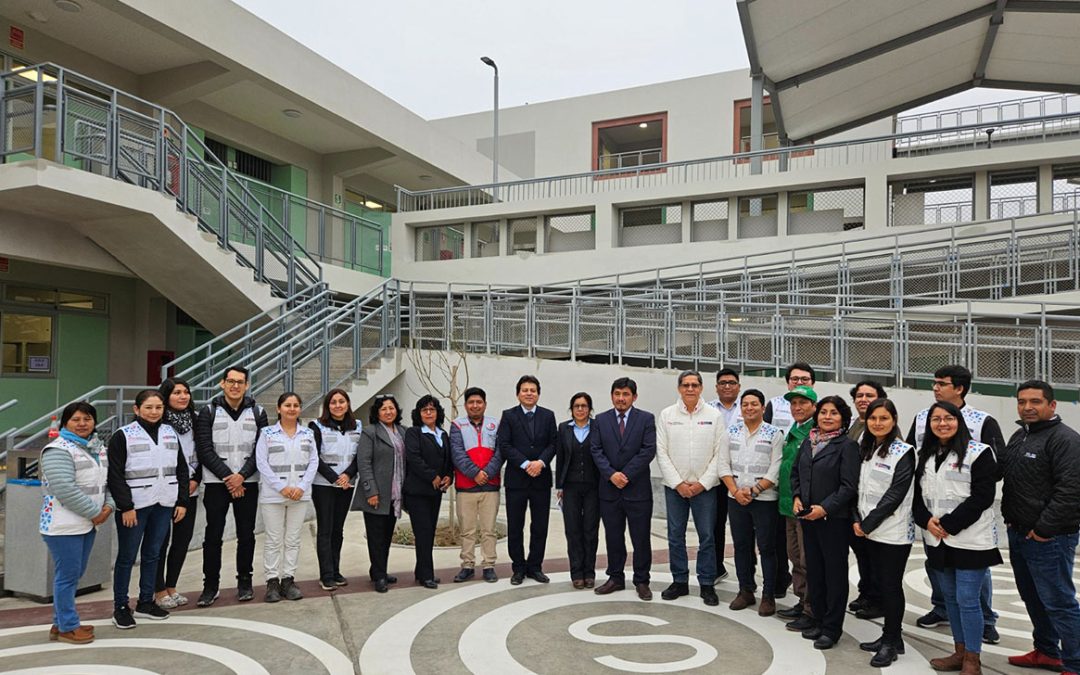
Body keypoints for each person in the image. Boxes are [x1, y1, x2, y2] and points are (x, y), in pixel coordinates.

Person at [907, 365, 1002, 642]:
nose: (935, 388)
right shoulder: (923, 417)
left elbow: (997, 467)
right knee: (939, 571)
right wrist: (926, 518)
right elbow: (913, 460)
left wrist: (959, 507)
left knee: (972, 583)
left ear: (959, 388)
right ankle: (942, 610)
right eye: (934, 383)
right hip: (932, 521)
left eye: (941, 383)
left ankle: (986, 620)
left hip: (967, 525)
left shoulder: (982, 421)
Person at [1001, 381, 1080, 674]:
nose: (1027, 407)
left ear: (1052, 405)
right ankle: (1047, 651)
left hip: (1049, 538)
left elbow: (1071, 491)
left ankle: (1075, 663)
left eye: (1035, 401)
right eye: (1022, 402)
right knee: (1032, 597)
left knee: (1059, 601)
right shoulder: (1019, 435)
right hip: (1019, 532)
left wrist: (1044, 530)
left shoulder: (1065, 440)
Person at [108, 389, 189, 629]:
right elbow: (115, 475)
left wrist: (182, 501)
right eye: (148, 408)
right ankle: (121, 606)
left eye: (158, 408)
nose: (154, 412)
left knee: (153, 554)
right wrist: (126, 506)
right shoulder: (123, 435)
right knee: (127, 557)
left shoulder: (169, 432)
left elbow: (181, 469)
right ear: (136, 409)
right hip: (135, 507)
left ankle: (146, 601)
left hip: (163, 504)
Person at [39, 401, 113, 644]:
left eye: (88, 419)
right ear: (65, 423)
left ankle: (60, 623)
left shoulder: (96, 447)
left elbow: (105, 483)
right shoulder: (58, 449)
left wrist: (108, 506)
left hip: (87, 523)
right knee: (68, 575)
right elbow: (64, 489)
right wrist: (96, 513)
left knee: (74, 573)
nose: (82, 424)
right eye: (76, 419)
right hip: (63, 524)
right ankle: (68, 627)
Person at [194, 365, 268, 607]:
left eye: (240, 382)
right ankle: (210, 585)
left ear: (247, 385)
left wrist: (242, 476)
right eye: (231, 381)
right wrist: (229, 477)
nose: (235, 385)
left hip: (248, 483)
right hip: (217, 484)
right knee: (213, 535)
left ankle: (245, 581)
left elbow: (261, 449)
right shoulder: (208, 411)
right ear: (222, 384)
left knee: (246, 534)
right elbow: (204, 449)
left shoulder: (258, 412)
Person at [790, 395, 859, 650]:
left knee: (835, 575)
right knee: (815, 572)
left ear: (843, 418)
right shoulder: (809, 442)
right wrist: (797, 496)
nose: (827, 417)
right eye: (823, 412)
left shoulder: (847, 446)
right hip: (808, 518)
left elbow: (849, 486)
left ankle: (832, 628)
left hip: (833, 521)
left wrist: (825, 508)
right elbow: (795, 472)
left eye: (834, 413)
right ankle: (817, 619)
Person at [853, 399, 916, 668]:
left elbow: (895, 495)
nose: (878, 423)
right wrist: (858, 520)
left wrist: (867, 524)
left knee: (890, 587)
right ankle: (892, 637)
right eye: (873, 418)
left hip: (892, 532)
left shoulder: (904, 451)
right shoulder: (866, 449)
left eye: (883, 418)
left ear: (894, 420)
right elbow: (857, 489)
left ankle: (891, 642)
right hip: (868, 529)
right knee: (879, 583)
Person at [656, 370, 724, 606]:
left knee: (707, 536)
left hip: (705, 489)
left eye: (695, 385)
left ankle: (707, 583)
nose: (690, 389)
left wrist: (702, 484)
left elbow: (719, 454)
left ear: (701, 388)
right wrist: (679, 483)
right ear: (679, 388)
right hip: (675, 489)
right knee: (675, 536)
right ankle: (680, 581)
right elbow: (661, 452)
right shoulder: (667, 415)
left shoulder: (714, 416)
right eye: (686, 385)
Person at [717, 389, 784, 616]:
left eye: (754, 404)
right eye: (745, 404)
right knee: (742, 546)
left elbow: (777, 467)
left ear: (763, 408)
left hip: (764, 499)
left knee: (766, 547)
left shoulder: (774, 433)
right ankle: (745, 589)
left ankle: (768, 595)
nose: (749, 408)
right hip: (736, 500)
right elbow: (723, 465)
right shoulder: (731, 431)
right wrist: (735, 491)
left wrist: (755, 490)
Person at [591, 377, 657, 601]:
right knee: (613, 537)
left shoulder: (646, 419)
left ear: (634, 397)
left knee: (640, 538)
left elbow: (648, 451)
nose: (621, 398)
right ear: (612, 396)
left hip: (637, 490)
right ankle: (615, 577)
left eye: (626, 394)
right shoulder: (600, 420)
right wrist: (611, 474)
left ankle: (642, 580)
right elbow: (596, 450)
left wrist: (626, 474)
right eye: (617, 394)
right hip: (609, 491)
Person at [256, 392, 318, 602]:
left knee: (293, 539)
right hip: (273, 495)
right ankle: (272, 581)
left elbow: (313, 462)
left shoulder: (307, 434)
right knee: (273, 539)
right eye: (287, 405)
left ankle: (288, 579)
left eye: (296, 405)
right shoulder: (267, 433)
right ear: (279, 408)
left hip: (299, 494)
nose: (292, 409)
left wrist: (301, 486)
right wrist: (281, 487)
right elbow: (262, 463)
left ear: (300, 409)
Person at [497, 375, 558, 585]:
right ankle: (518, 568)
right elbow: (504, 445)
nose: (529, 393)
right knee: (515, 526)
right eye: (525, 390)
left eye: (533, 390)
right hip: (517, 480)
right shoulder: (508, 416)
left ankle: (535, 567)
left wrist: (540, 463)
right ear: (518, 394)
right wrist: (525, 464)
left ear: (538, 394)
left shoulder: (548, 416)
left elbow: (553, 444)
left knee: (540, 526)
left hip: (541, 479)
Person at [351, 394, 406, 593]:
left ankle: (378, 570)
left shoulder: (402, 432)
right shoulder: (370, 432)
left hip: (395, 494)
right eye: (384, 409)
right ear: (377, 413)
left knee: (386, 535)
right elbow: (363, 464)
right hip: (376, 494)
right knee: (375, 536)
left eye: (391, 408)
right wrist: (370, 491)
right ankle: (379, 576)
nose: (388, 412)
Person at [154, 378, 201, 610]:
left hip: (190, 490)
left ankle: (172, 586)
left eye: (186, 392)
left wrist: (196, 479)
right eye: (176, 393)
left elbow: (203, 450)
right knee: (160, 542)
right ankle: (158, 589)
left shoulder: (196, 419)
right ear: (166, 396)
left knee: (182, 540)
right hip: (165, 490)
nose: (183, 397)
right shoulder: (158, 422)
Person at [449, 387, 502, 583]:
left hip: (491, 485)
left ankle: (489, 565)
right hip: (465, 486)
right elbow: (457, 452)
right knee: (467, 530)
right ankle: (467, 565)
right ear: (465, 405)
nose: (475, 405)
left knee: (489, 530)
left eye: (479, 402)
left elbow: (500, 452)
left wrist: (486, 473)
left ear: (485, 404)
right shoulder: (457, 425)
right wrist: (474, 473)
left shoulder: (495, 424)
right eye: (471, 402)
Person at [309, 388, 360, 591]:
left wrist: (347, 475)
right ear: (327, 406)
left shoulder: (357, 426)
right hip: (324, 485)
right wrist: (335, 479)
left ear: (347, 404)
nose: (338, 405)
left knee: (338, 530)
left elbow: (359, 456)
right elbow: (315, 457)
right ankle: (326, 574)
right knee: (325, 529)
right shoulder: (317, 426)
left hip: (347, 484)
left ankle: (336, 570)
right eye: (333, 402)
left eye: (341, 401)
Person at [777, 385, 818, 631]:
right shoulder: (794, 429)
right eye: (793, 404)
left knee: (806, 559)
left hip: (802, 506)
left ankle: (812, 609)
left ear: (814, 406)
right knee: (795, 557)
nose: (797, 407)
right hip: (787, 506)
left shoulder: (813, 433)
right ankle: (802, 601)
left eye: (803, 403)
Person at [847, 380, 887, 621]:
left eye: (869, 395)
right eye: (859, 395)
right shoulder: (856, 424)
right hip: (855, 501)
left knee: (875, 557)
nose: (863, 399)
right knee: (862, 554)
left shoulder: (881, 427)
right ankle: (866, 593)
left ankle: (878, 600)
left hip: (874, 505)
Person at [404, 395, 453, 589]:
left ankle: (420, 570)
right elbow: (414, 458)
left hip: (436, 492)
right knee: (423, 532)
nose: (429, 413)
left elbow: (448, 460)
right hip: (418, 492)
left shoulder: (443, 434)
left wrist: (449, 476)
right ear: (419, 414)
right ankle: (427, 575)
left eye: (432, 409)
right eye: (425, 410)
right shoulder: (414, 433)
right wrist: (432, 476)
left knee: (429, 532)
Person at [556, 392, 600, 589]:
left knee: (591, 530)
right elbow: (560, 457)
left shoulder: (598, 427)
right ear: (571, 409)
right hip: (571, 487)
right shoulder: (564, 428)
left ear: (590, 409)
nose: (580, 409)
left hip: (594, 487)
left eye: (584, 406)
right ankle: (576, 572)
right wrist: (560, 486)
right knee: (573, 530)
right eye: (576, 406)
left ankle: (589, 572)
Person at [708, 368, 742, 582]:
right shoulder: (708, 409)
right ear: (716, 387)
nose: (727, 386)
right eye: (723, 382)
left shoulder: (748, 407)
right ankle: (716, 567)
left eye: (731, 382)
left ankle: (746, 574)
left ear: (739, 386)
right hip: (715, 477)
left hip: (742, 478)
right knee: (715, 524)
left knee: (743, 528)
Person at [764, 362, 815, 436]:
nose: (800, 382)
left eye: (805, 379)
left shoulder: (821, 405)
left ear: (813, 383)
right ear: (788, 383)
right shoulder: (774, 404)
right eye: (795, 379)